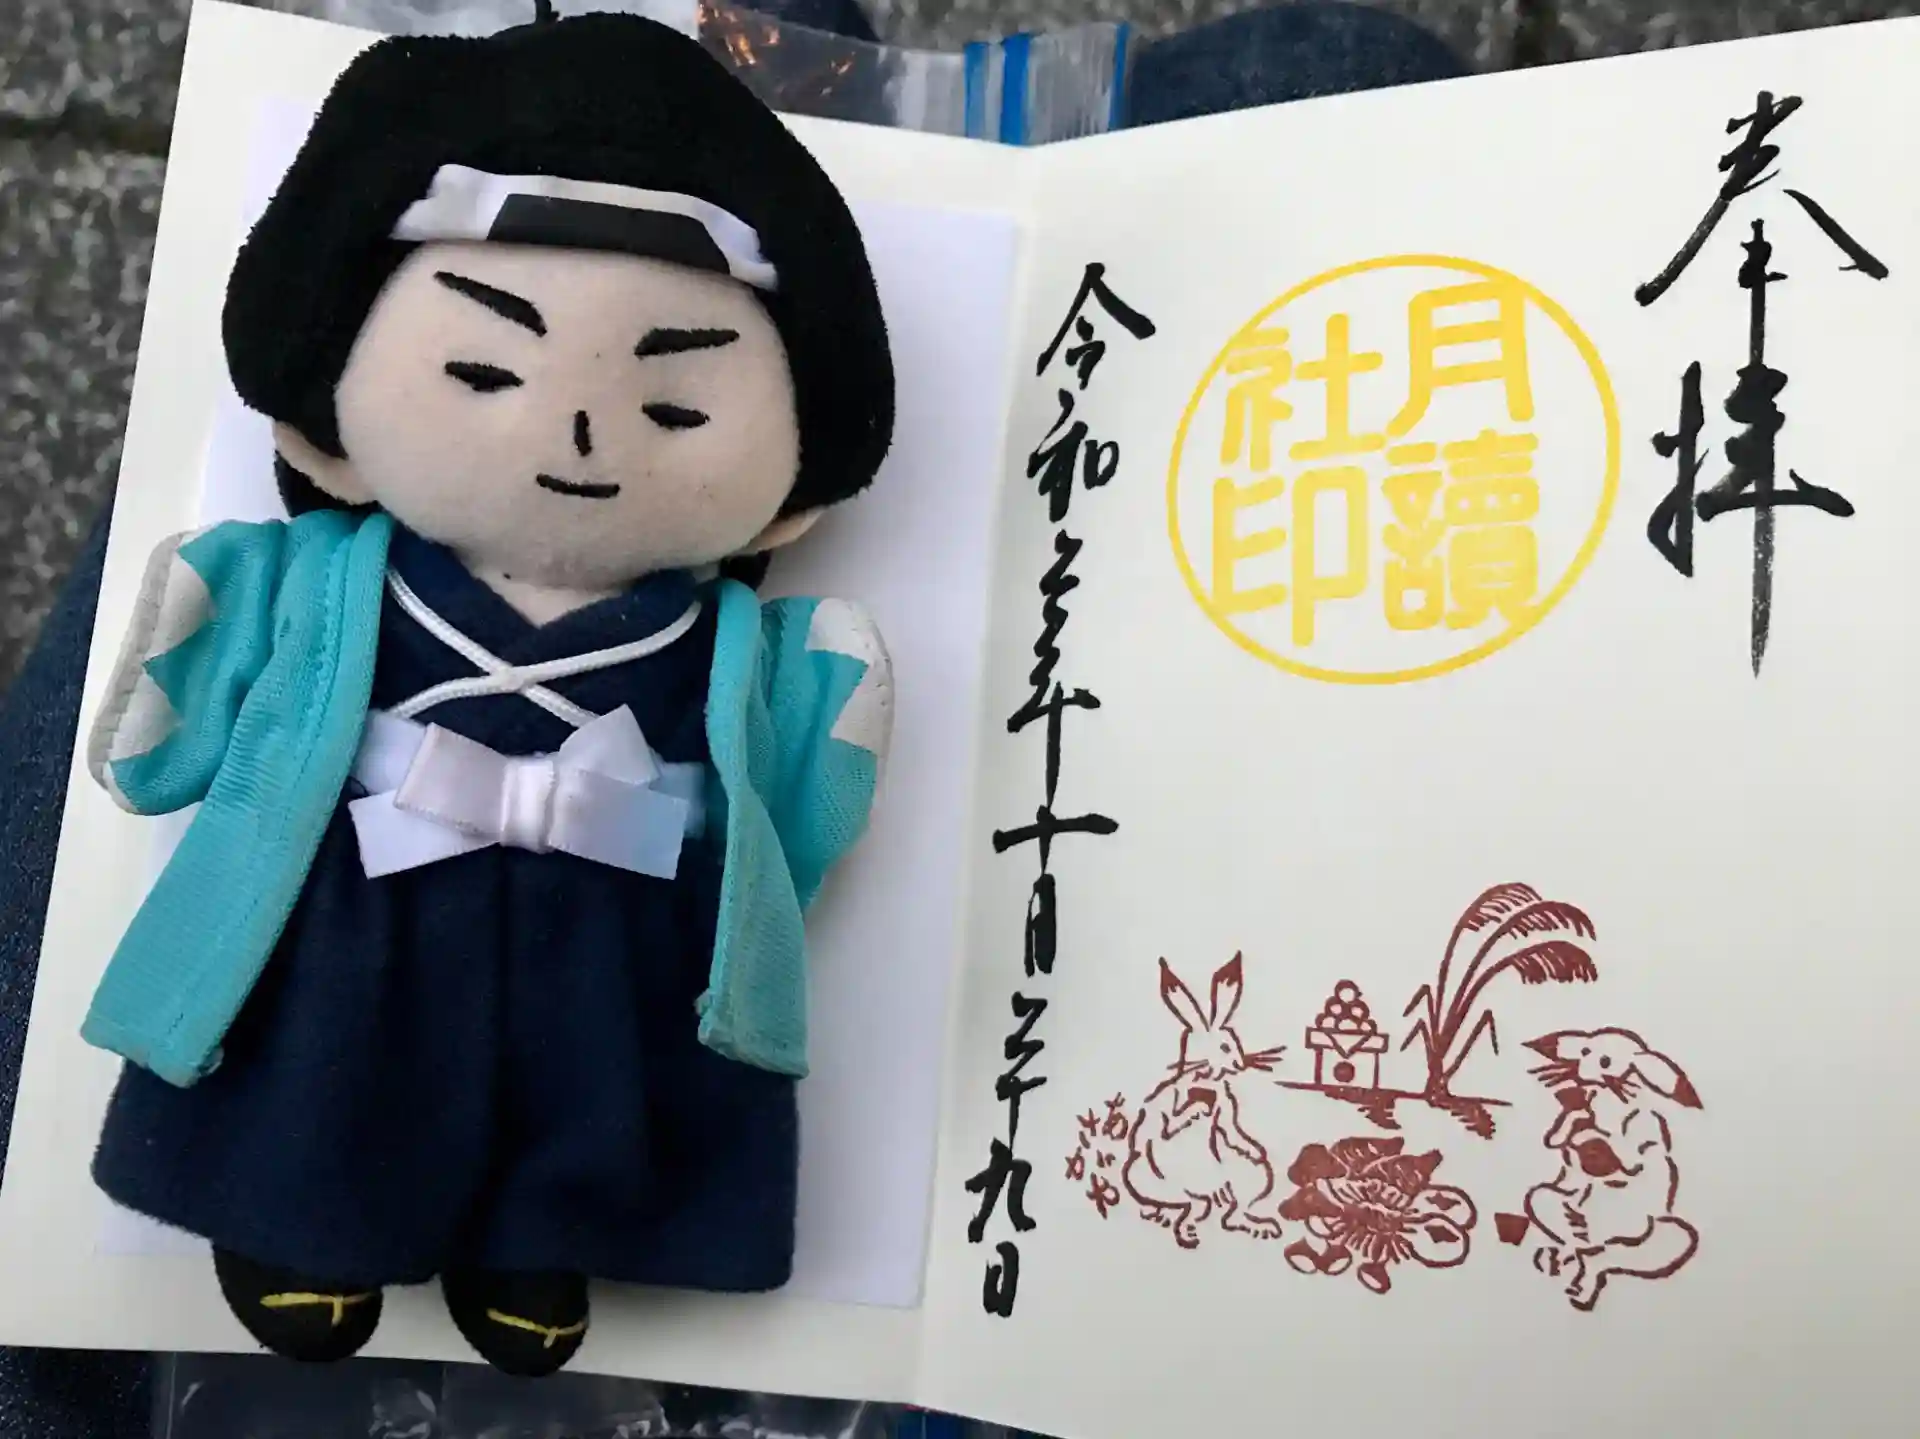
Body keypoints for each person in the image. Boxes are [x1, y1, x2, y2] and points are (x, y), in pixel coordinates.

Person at [0, 0, 1463, 1429]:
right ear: (326, 423)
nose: (580, 426)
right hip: (359, 894)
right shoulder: (335, 582)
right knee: (333, 1053)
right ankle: (301, 1216)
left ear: (788, 491)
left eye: (679, 409)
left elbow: (791, 792)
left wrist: (813, 752)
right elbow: (205, 687)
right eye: (485, 369)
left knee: (591, 1082)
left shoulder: (723, 637)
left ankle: (539, 1242)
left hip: (619, 922)